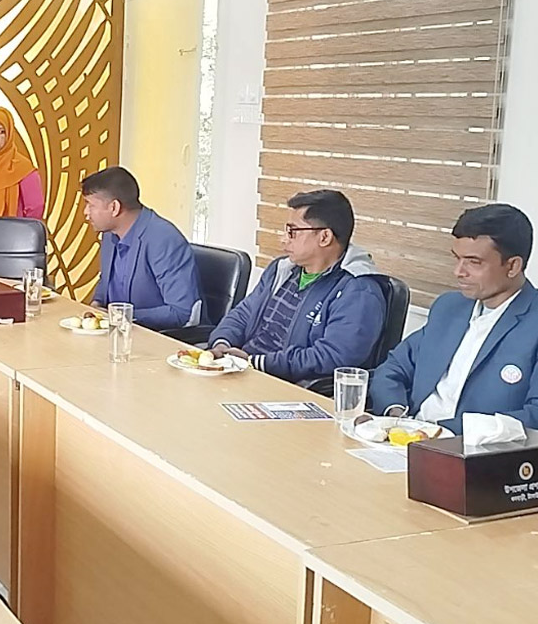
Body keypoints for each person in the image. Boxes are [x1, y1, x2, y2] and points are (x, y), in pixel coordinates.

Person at [369, 204, 538, 432]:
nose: (458, 272)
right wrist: (397, 416)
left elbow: (534, 417)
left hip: (471, 449)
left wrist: (439, 433)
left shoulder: (532, 324)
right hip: (405, 436)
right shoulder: (448, 307)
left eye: (474, 262)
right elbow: (392, 369)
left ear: (513, 266)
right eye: (457, 258)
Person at [208, 190, 386, 383]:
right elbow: (244, 313)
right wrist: (222, 343)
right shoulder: (282, 269)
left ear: (325, 237)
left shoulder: (359, 290)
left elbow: (332, 357)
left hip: (285, 383)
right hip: (244, 370)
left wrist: (257, 362)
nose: (284, 239)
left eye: (293, 232)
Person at [83, 167, 201, 330]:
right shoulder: (110, 234)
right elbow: (106, 284)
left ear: (114, 208)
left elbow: (182, 312)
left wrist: (123, 316)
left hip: (157, 337)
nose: (86, 213)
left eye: (91, 205)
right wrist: (96, 306)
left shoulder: (163, 239)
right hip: (117, 332)